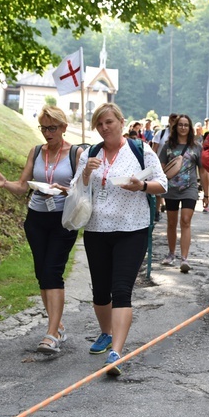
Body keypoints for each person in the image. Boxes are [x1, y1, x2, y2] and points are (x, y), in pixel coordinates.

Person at [73, 102, 168, 375]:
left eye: (109, 122)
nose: (104, 128)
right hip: (96, 229)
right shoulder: (89, 154)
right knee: (100, 291)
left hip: (132, 229)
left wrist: (142, 186)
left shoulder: (140, 150)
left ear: (121, 122)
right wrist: (87, 172)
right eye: (99, 124)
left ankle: (116, 352)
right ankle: (105, 333)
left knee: (122, 289)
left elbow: (163, 183)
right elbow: (76, 189)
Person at [0, 105, 84, 354]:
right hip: (36, 219)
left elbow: (85, 189)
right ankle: (57, 325)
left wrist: (66, 190)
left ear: (63, 127)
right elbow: (21, 186)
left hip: (64, 219)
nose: (47, 133)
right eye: (44, 128)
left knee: (53, 271)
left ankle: (51, 334)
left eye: (52, 128)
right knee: (42, 273)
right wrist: (4, 183)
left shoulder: (76, 153)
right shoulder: (36, 152)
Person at [158, 114, 202, 273]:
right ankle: (171, 253)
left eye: (186, 125)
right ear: (175, 127)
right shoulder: (168, 146)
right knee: (171, 222)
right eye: (180, 125)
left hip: (189, 188)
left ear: (190, 128)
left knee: (185, 220)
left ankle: (184, 258)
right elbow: (161, 168)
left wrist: (206, 192)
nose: (183, 127)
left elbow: (202, 170)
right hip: (171, 189)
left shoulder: (196, 146)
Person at [152, 113, 179, 222]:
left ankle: (169, 208)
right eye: (172, 120)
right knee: (158, 190)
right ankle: (156, 211)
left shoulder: (180, 135)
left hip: (174, 165)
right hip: (160, 164)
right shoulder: (161, 133)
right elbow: (154, 148)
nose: (173, 122)